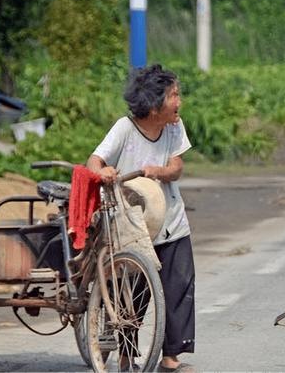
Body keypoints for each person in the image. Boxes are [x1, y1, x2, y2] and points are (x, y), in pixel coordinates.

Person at [87, 64, 195, 372]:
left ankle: (171, 356)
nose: (179, 101)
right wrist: (103, 171)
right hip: (134, 224)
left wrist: (158, 171)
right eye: (174, 95)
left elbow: (176, 167)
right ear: (153, 102)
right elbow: (95, 161)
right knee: (133, 292)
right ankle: (125, 353)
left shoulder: (175, 126)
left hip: (171, 219)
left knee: (179, 285)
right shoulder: (125, 128)